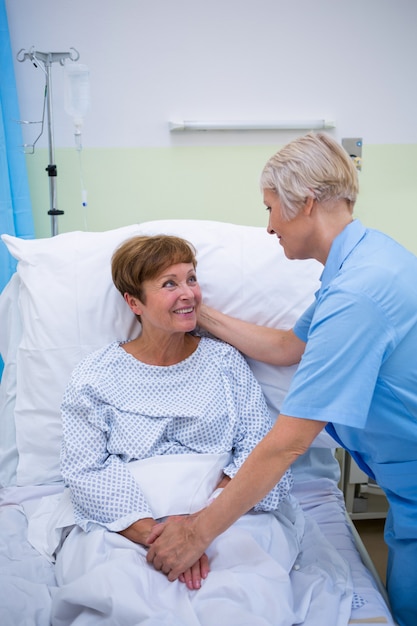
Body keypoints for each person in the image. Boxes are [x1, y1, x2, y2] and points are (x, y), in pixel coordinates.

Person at [146, 133, 417, 626]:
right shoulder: (364, 260)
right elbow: (289, 348)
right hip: (404, 484)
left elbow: (289, 444)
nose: (268, 226)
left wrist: (196, 534)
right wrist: (197, 312)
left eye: (271, 208)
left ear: (306, 203)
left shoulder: (357, 294)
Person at [50, 234, 311, 626]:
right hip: (127, 524)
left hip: (226, 516)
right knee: (116, 592)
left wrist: (200, 528)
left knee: (242, 596)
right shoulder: (95, 375)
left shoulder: (225, 363)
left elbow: (259, 447)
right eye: (169, 284)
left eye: (191, 278)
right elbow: (85, 469)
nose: (188, 293)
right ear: (133, 302)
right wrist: (155, 533)